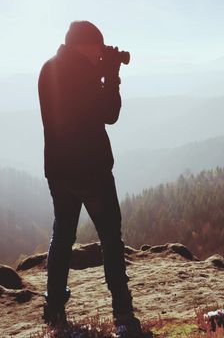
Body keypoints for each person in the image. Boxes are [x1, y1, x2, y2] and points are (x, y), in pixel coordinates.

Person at [38, 20, 145, 337]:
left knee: (62, 238)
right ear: (85, 46)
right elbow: (109, 112)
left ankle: (54, 309)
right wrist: (111, 75)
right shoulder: (83, 74)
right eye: (98, 46)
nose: (102, 51)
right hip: (92, 172)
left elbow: (74, 105)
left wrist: (99, 69)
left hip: (58, 172)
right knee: (111, 239)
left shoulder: (48, 69)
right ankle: (123, 314)